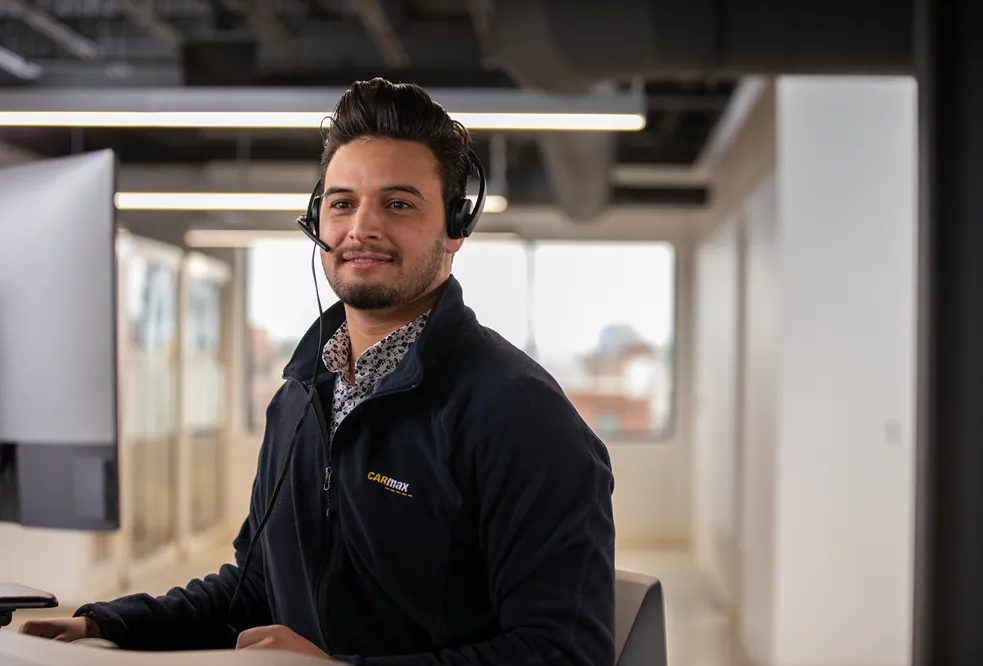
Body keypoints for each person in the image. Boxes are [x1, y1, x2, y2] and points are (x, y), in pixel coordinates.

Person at [20, 78, 616, 665]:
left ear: (455, 229)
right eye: (341, 203)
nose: (362, 227)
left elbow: (563, 651)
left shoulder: (517, 413)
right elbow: (257, 590)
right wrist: (104, 622)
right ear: (317, 222)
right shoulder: (299, 400)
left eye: (399, 203)